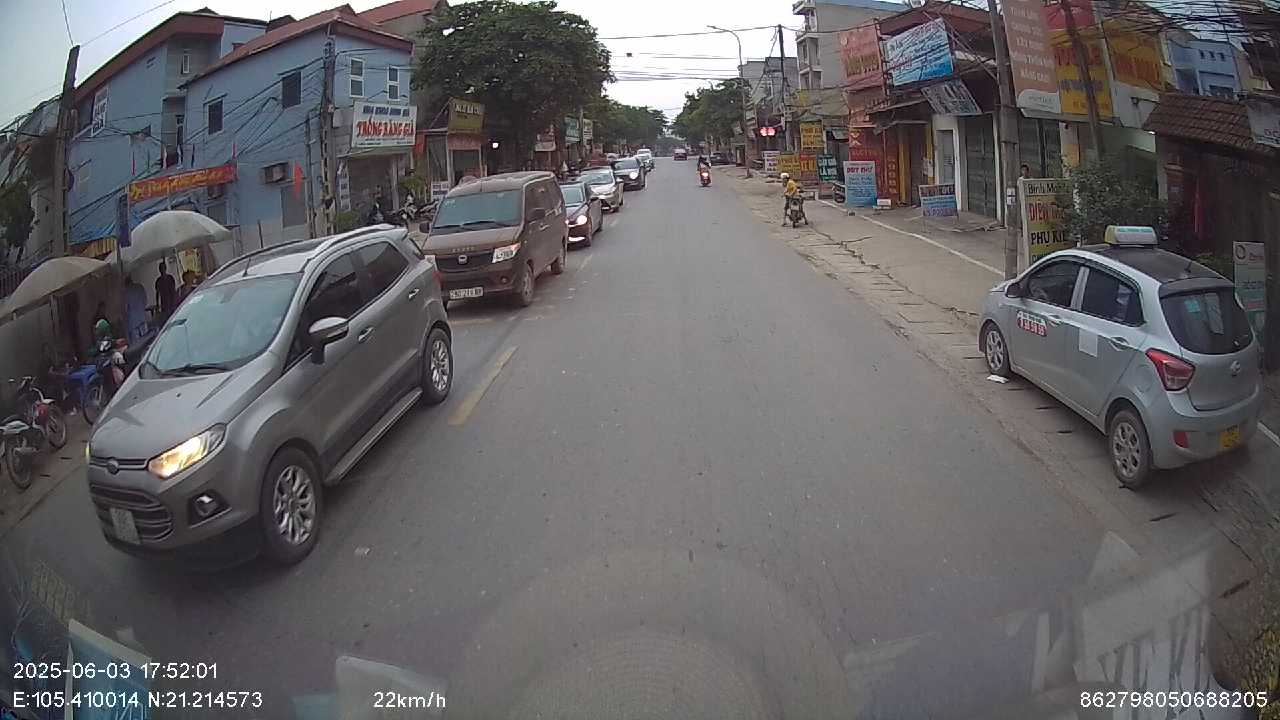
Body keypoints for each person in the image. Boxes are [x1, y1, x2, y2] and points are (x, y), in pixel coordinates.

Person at [124, 274, 148, 346]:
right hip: (142, 317)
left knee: (137, 344)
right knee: (146, 339)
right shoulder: (139, 287)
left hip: (133, 321)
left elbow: (125, 308)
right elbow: (145, 301)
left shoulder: (126, 292)